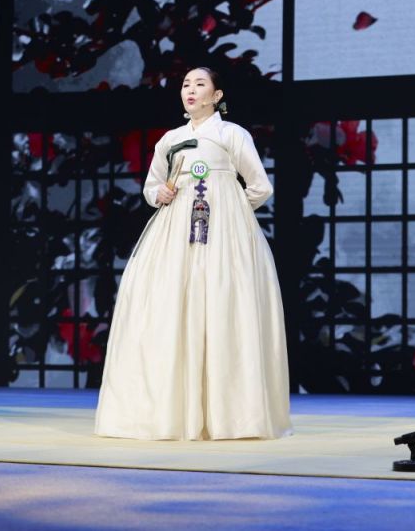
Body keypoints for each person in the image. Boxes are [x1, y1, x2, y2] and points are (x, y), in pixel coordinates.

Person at [95, 67, 292, 440]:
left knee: (221, 303)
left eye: (200, 84)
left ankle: (230, 416)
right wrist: (159, 194)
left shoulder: (233, 134)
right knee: (169, 304)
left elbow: (259, 186)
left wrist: (230, 211)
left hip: (222, 234)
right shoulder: (170, 139)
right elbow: (152, 186)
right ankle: (169, 412)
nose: (190, 89)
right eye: (186, 84)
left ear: (216, 96)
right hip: (175, 234)